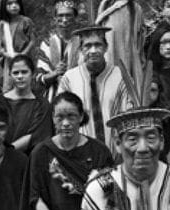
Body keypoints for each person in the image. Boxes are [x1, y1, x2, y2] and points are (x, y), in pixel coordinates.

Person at [57, 25, 133, 158]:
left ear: (106, 47)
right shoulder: (69, 78)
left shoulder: (121, 76)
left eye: (98, 45)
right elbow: (61, 115)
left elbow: (129, 115)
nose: (93, 50)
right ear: (81, 49)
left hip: (116, 151)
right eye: (87, 46)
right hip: (78, 152)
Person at [3, 54, 52, 154]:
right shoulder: (0, 101)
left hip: (29, 159)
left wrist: (7, 153)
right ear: (10, 75)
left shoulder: (42, 104)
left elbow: (37, 135)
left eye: (24, 72)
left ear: (33, 74)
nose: (20, 76)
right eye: (15, 73)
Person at [36, 0, 81, 102]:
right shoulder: (47, 44)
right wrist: (56, 73)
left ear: (75, 18)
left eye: (68, 15)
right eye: (60, 16)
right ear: (55, 18)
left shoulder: (83, 43)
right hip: (52, 99)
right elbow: (40, 79)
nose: (64, 20)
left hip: (79, 95)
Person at [95, 0, 144, 86]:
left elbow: (140, 36)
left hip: (129, 57)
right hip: (109, 54)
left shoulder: (135, 8)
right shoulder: (105, 5)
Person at [0, 0, 36, 92]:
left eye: (16, 3)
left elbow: (32, 40)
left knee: (25, 83)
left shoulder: (26, 21)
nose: (14, 6)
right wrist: (6, 53)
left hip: (24, 58)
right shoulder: (3, 24)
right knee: (9, 87)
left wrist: (23, 54)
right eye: (10, 4)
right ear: (4, 6)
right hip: (9, 60)